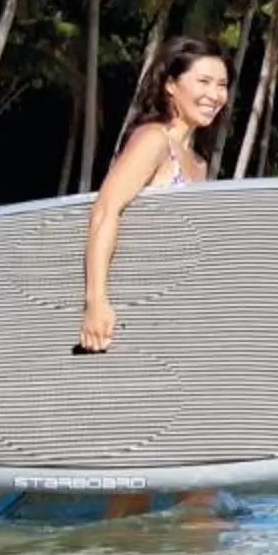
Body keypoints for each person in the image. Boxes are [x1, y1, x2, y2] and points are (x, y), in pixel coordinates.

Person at [79, 38, 231, 352]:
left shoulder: (200, 163)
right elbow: (105, 211)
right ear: (171, 85)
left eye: (222, 85)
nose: (214, 95)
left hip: (170, 311)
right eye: (203, 82)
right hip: (131, 305)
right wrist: (96, 301)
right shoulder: (153, 140)